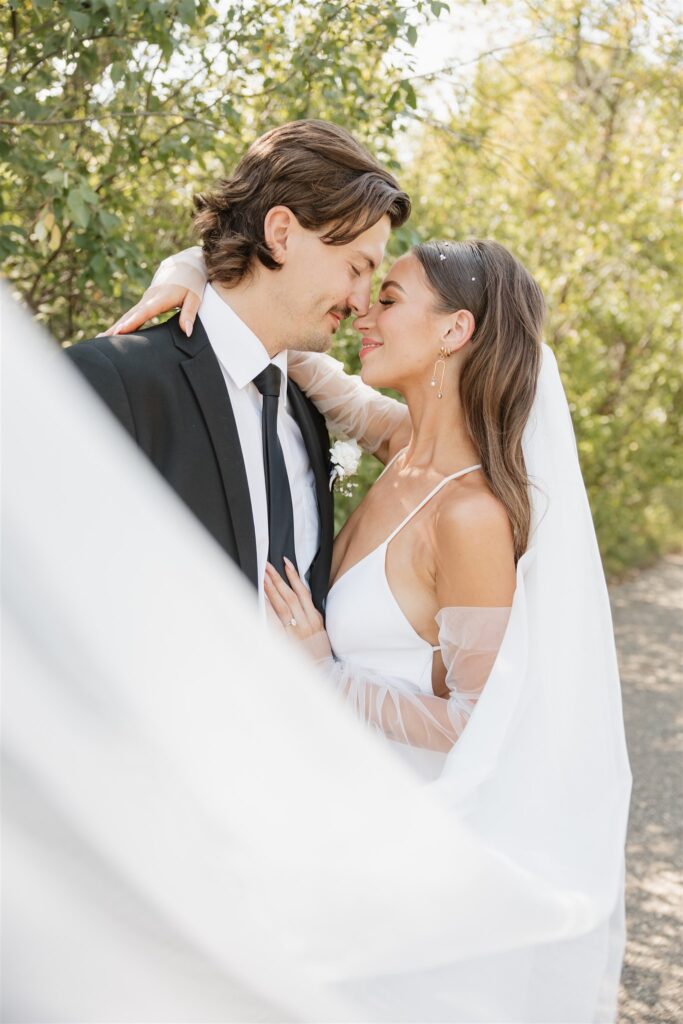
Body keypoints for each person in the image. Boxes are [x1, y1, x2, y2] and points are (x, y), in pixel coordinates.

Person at [69, 232, 632, 1020]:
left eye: (389, 297)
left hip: (403, 861)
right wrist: (194, 269)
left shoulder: (470, 515)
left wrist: (326, 674)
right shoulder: (401, 445)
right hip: (325, 830)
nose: (364, 310)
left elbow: (479, 723)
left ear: (453, 332)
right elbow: (286, 348)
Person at [65, 119, 411, 615]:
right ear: (281, 233)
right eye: (356, 268)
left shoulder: (308, 416)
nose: (362, 302)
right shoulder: (112, 381)